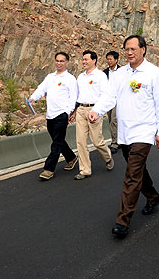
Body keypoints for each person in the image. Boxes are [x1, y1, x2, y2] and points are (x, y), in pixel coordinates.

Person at [89, 35, 159, 238]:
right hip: (125, 132)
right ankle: (152, 197)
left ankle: (122, 220)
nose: (129, 52)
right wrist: (97, 110)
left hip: (144, 131)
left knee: (132, 174)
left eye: (133, 49)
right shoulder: (120, 74)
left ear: (143, 50)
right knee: (137, 169)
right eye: (126, 49)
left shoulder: (153, 73)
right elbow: (109, 96)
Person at [29, 52, 78, 181]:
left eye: (62, 61)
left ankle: (49, 169)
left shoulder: (70, 79)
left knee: (56, 143)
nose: (59, 63)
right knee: (58, 140)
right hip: (50, 115)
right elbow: (41, 89)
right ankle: (71, 157)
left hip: (61, 115)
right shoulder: (50, 77)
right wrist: (33, 97)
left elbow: (73, 98)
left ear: (67, 62)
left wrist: (67, 112)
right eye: (57, 61)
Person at [71, 50, 114, 180]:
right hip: (81, 110)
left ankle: (108, 157)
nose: (84, 61)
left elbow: (106, 95)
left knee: (96, 141)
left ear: (94, 60)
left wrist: (98, 111)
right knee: (81, 141)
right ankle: (85, 170)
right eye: (83, 59)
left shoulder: (100, 76)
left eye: (86, 59)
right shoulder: (80, 77)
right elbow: (76, 96)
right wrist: (73, 111)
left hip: (94, 110)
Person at [102, 51, 121, 154]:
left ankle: (115, 143)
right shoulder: (104, 72)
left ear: (116, 60)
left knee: (114, 120)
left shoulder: (122, 71)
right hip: (108, 99)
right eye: (108, 59)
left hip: (119, 100)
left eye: (111, 59)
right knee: (110, 120)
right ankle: (119, 140)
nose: (109, 61)